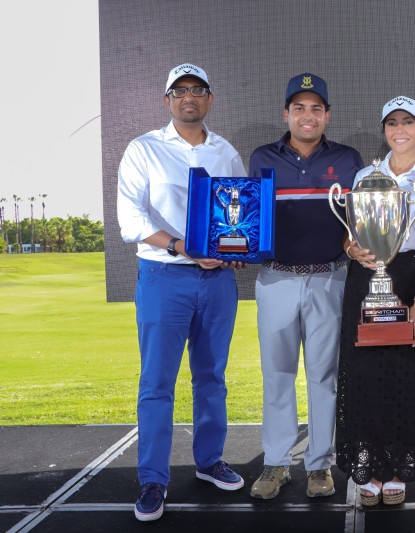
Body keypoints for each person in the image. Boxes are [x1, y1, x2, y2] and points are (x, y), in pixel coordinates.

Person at [117, 63, 246, 522]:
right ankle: (153, 479)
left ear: (209, 99)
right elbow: (130, 220)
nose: (188, 97)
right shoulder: (143, 149)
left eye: (197, 90)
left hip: (216, 282)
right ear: (167, 101)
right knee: (157, 383)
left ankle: (209, 461)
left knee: (211, 378)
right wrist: (180, 246)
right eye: (179, 90)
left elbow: (238, 216)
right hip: (163, 277)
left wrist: (235, 249)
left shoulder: (225, 152)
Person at [248, 73, 363, 500]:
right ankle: (276, 463)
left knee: (323, 376)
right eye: (299, 108)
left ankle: (318, 465)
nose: (308, 115)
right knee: (277, 374)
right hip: (276, 278)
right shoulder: (262, 158)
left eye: (316, 108)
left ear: (327, 115)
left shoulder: (348, 159)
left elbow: (358, 222)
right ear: (286, 114)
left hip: (329, 279)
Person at [335, 96, 415, 506]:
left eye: (408, 122)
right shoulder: (368, 173)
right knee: (367, 373)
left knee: (408, 373)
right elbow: (350, 233)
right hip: (367, 278)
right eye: (392, 123)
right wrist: (353, 251)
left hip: (412, 278)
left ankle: (399, 468)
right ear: (384, 129)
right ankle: (371, 467)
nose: (399, 130)